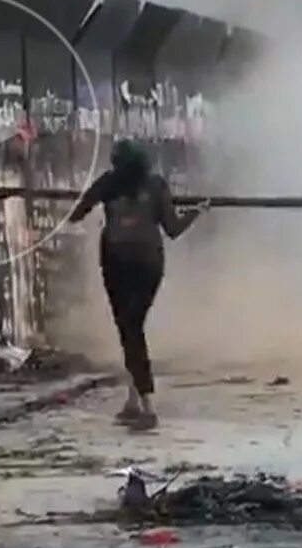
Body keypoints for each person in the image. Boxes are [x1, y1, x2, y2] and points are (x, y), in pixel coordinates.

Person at [68, 140, 207, 432]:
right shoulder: (156, 186)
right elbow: (173, 229)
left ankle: (146, 404)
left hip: (116, 265)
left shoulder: (108, 183)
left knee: (129, 330)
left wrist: (91, 200)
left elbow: (77, 214)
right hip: (149, 266)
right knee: (133, 329)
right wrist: (196, 210)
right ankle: (135, 400)